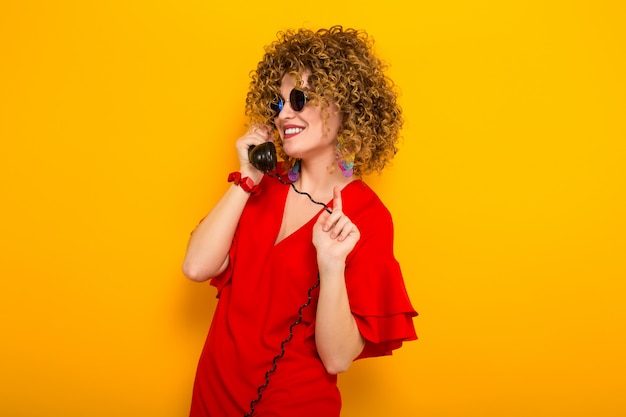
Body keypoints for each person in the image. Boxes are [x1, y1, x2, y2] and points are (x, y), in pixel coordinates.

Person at [182, 25, 417, 417]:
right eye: (278, 104)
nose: (283, 115)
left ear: (345, 105)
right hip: (213, 396)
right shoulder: (260, 185)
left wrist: (331, 264)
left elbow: (338, 358)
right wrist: (247, 178)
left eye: (299, 99)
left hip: (293, 404)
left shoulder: (368, 218)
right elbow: (196, 266)